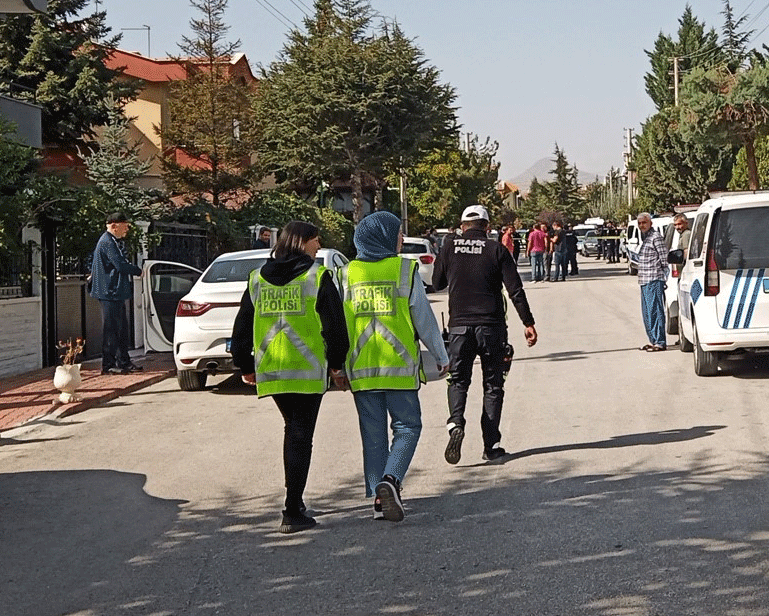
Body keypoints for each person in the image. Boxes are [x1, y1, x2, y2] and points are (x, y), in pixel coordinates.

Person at [230, 221, 350, 534]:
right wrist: (337, 364)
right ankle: (292, 508)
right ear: (301, 242)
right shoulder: (317, 276)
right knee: (300, 435)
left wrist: (244, 365)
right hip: (307, 372)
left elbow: (242, 326)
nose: (318, 246)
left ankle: (294, 502)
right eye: (315, 240)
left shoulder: (258, 278)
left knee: (293, 430)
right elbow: (335, 326)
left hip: (273, 370)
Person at [342, 212, 447, 522]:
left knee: (372, 435)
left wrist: (336, 366)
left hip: (361, 369)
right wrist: (441, 355)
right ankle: (391, 479)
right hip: (398, 367)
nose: (401, 239)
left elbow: (336, 323)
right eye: (398, 233)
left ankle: (379, 499)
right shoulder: (404, 269)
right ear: (384, 237)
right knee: (408, 427)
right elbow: (423, 318)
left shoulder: (346, 273)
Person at [432, 205, 538, 464]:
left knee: (458, 380)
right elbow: (515, 290)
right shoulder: (496, 250)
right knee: (493, 385)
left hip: (459, 328)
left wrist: (449, 259)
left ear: (462, 226)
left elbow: (436, 283)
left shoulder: (449, 248)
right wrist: (528, 322)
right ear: (487, 227)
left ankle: (456, 423)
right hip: (491, 328)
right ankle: (491, 445)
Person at [89, 212, 144, 374]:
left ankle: (123, 361)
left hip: (115, 292)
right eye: (124, 225)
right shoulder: (107, 242)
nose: (127, 228)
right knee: (111, 330)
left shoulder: (113, 241)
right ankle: (108, 365)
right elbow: (120, 265)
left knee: (121, 329)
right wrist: (138, 270)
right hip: (109, 292)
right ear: (114, 225)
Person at [634, 212, 669, 352]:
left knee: (655, 311)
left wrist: (663, 276)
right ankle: (653, 340)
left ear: (650, 223)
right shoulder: (646, 239)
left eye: (644, 222)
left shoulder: (656, 237)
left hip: (654, 279)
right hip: (644, 280)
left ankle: (660, 341)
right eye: (640, 223)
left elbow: (664, 258)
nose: (642, 225)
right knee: (647, 313)